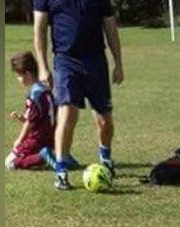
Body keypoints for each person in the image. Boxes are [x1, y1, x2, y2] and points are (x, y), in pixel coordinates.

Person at [32, 0, 124, 191]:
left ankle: (105, 159)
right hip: (66, 61)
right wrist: (42, 67)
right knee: (67, 113)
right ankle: (61, 170)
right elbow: (39, 30)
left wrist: (118, 64)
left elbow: (110, 27)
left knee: (104, 120)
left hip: (96, 62)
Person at [5, 52, 55, 171]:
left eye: (18, 75)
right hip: (50, 138)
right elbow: (40, 118)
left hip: (37, 139)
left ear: (27, 74)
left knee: (9, 163)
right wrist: (21, 118)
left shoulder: (34, 94)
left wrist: (19, 140)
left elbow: (30, 123)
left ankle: (42, 157)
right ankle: (49, 155)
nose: (18, 79)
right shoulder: (46, 90)